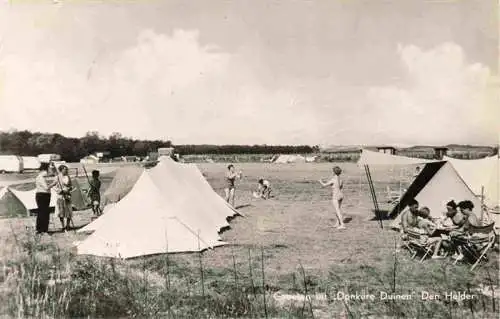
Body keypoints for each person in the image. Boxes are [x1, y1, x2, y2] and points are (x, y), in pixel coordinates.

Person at [34, 162, 58, 235]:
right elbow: (46, 188)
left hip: (44, 195)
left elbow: (53, 173)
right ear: (43, 171)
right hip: (42, 195)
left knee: (44, 212)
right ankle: (42, 229)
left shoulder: (42, 177)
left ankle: (42, 229)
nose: (47, 173)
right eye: (47, 171)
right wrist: (54, 183)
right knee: (43, 212)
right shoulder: (40, 178)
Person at [54, 165, 73, 231]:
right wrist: (59, 191)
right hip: (60, 196)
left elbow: (71, 186)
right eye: (65, 169)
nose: (66, 171)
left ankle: (68, 225)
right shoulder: (57, 177)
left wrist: (68, 189)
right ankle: (62, 226)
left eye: (67, 169)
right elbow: (54, 187)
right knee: (61, 211)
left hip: (67, 195)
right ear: (61, 170)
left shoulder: (68, 177)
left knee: (69, 211)